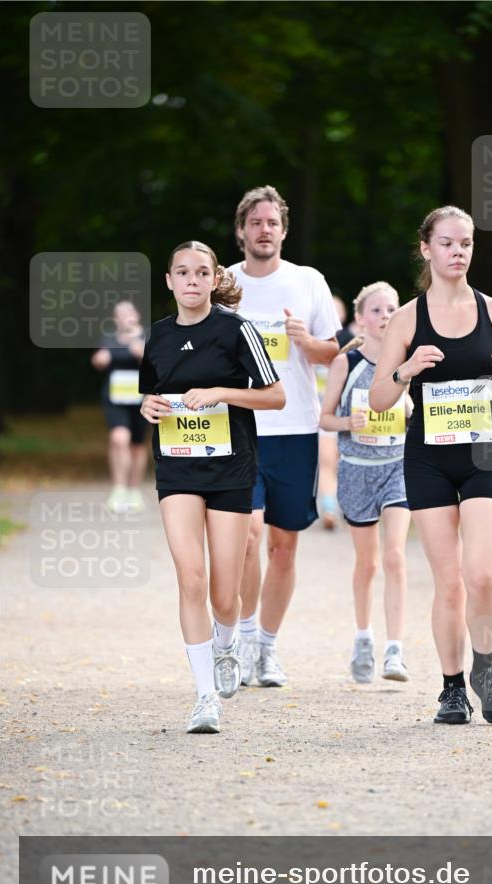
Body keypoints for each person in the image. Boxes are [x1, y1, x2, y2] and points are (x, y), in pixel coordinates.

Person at [369, 205, 492, 726]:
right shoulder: (407, 319)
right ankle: (452, 688)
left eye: (466, 243)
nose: (458, 252)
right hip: (429, 458)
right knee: (449, 580)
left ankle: (485, 670)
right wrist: (405, 370)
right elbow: (379, 399)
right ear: (426, 249)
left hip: (484, 453)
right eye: (448, 243)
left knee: (482, 573)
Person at [139, 241, 285, 734]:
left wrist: (222, 392)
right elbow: (151, 396)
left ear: (214, 278)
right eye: (183, 272)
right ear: (169, 281)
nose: (192, 280)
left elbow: (277, 396)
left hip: (230, 471)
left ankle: (227, 644)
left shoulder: (236, 329)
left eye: (202, 272)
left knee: (225, 596)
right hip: (177, 469)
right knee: (191, 579)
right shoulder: (158, 336)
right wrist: (147, 407)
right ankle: (205, 697)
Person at [227, 185, 340, 687]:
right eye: (255, 222)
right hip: (242, 428)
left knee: (283, 546)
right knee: (247, 538)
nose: (264, 230)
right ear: (241, 231)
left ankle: (268, 648)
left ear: (284, 230)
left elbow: (332, 353)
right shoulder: (224, 284)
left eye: (272, 222)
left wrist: (306, 340)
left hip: (295, 429)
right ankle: (245, 637)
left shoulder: (307, 281)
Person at [320, 281, 411, 682]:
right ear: (360, 318)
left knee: (395, 556)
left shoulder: (406, 361)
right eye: (376, 310)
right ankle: (363, 638)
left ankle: (395, 651)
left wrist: (409, 407)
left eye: (391, 309)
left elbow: (417, 410)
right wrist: (347, 422)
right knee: (368, 562)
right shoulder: (347, 362)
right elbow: (324, 419)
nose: (384, 316)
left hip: (397, 467)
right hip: (357, 471)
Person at [91, 300, 148, 513]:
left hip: (141, 399)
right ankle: (119, 489)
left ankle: (134, 490)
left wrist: (142, 353)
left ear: (136, 315)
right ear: (115, 319)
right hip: (115, 398)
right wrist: (100, 359)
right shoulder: (109, 338)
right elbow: (97, 361)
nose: (125, 317)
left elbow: (158, 363)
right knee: (119, 438)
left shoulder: (147, 336)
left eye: (128, 312)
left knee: (137, 445)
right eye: (120, 314)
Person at [317, 295, 359, 530]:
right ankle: (329, 508)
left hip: (349, 414)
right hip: (320, 413)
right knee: (327, 462)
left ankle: (347, 504)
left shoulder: (354, 344)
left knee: (344, 463)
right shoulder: (310, 341)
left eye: (337, 309)